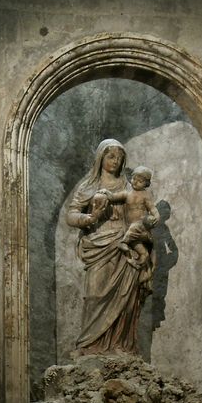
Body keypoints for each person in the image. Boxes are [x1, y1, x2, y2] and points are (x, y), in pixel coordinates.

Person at [66, 139, 146, 355]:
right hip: (98, 244)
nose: (115, 161)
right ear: (101, 158)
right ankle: (89, 346)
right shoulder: (88, 186)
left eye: (119, 158)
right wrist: (91, 217)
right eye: (111, 156)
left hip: (124, 243)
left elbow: (140, 210)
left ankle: (120, 345)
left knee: (126, 298)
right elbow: (71, 216)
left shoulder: (128, 187)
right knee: (94, 295)